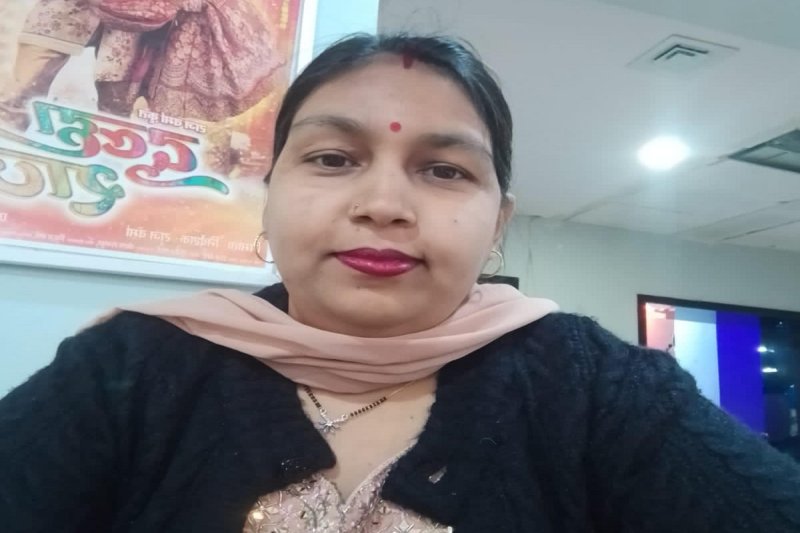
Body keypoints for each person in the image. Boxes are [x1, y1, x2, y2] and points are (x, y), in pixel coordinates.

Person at [2, 33, 800, 533]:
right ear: (268, 193)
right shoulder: (130, 366)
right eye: (332, 158)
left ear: (498, 221)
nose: (383, 204)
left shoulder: (596, 386)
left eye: (444, 170)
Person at [0, 0, 283, 128]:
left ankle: (104, 175)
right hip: (66, 9)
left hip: (138, 20)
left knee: (116, 109)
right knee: (22, 88)